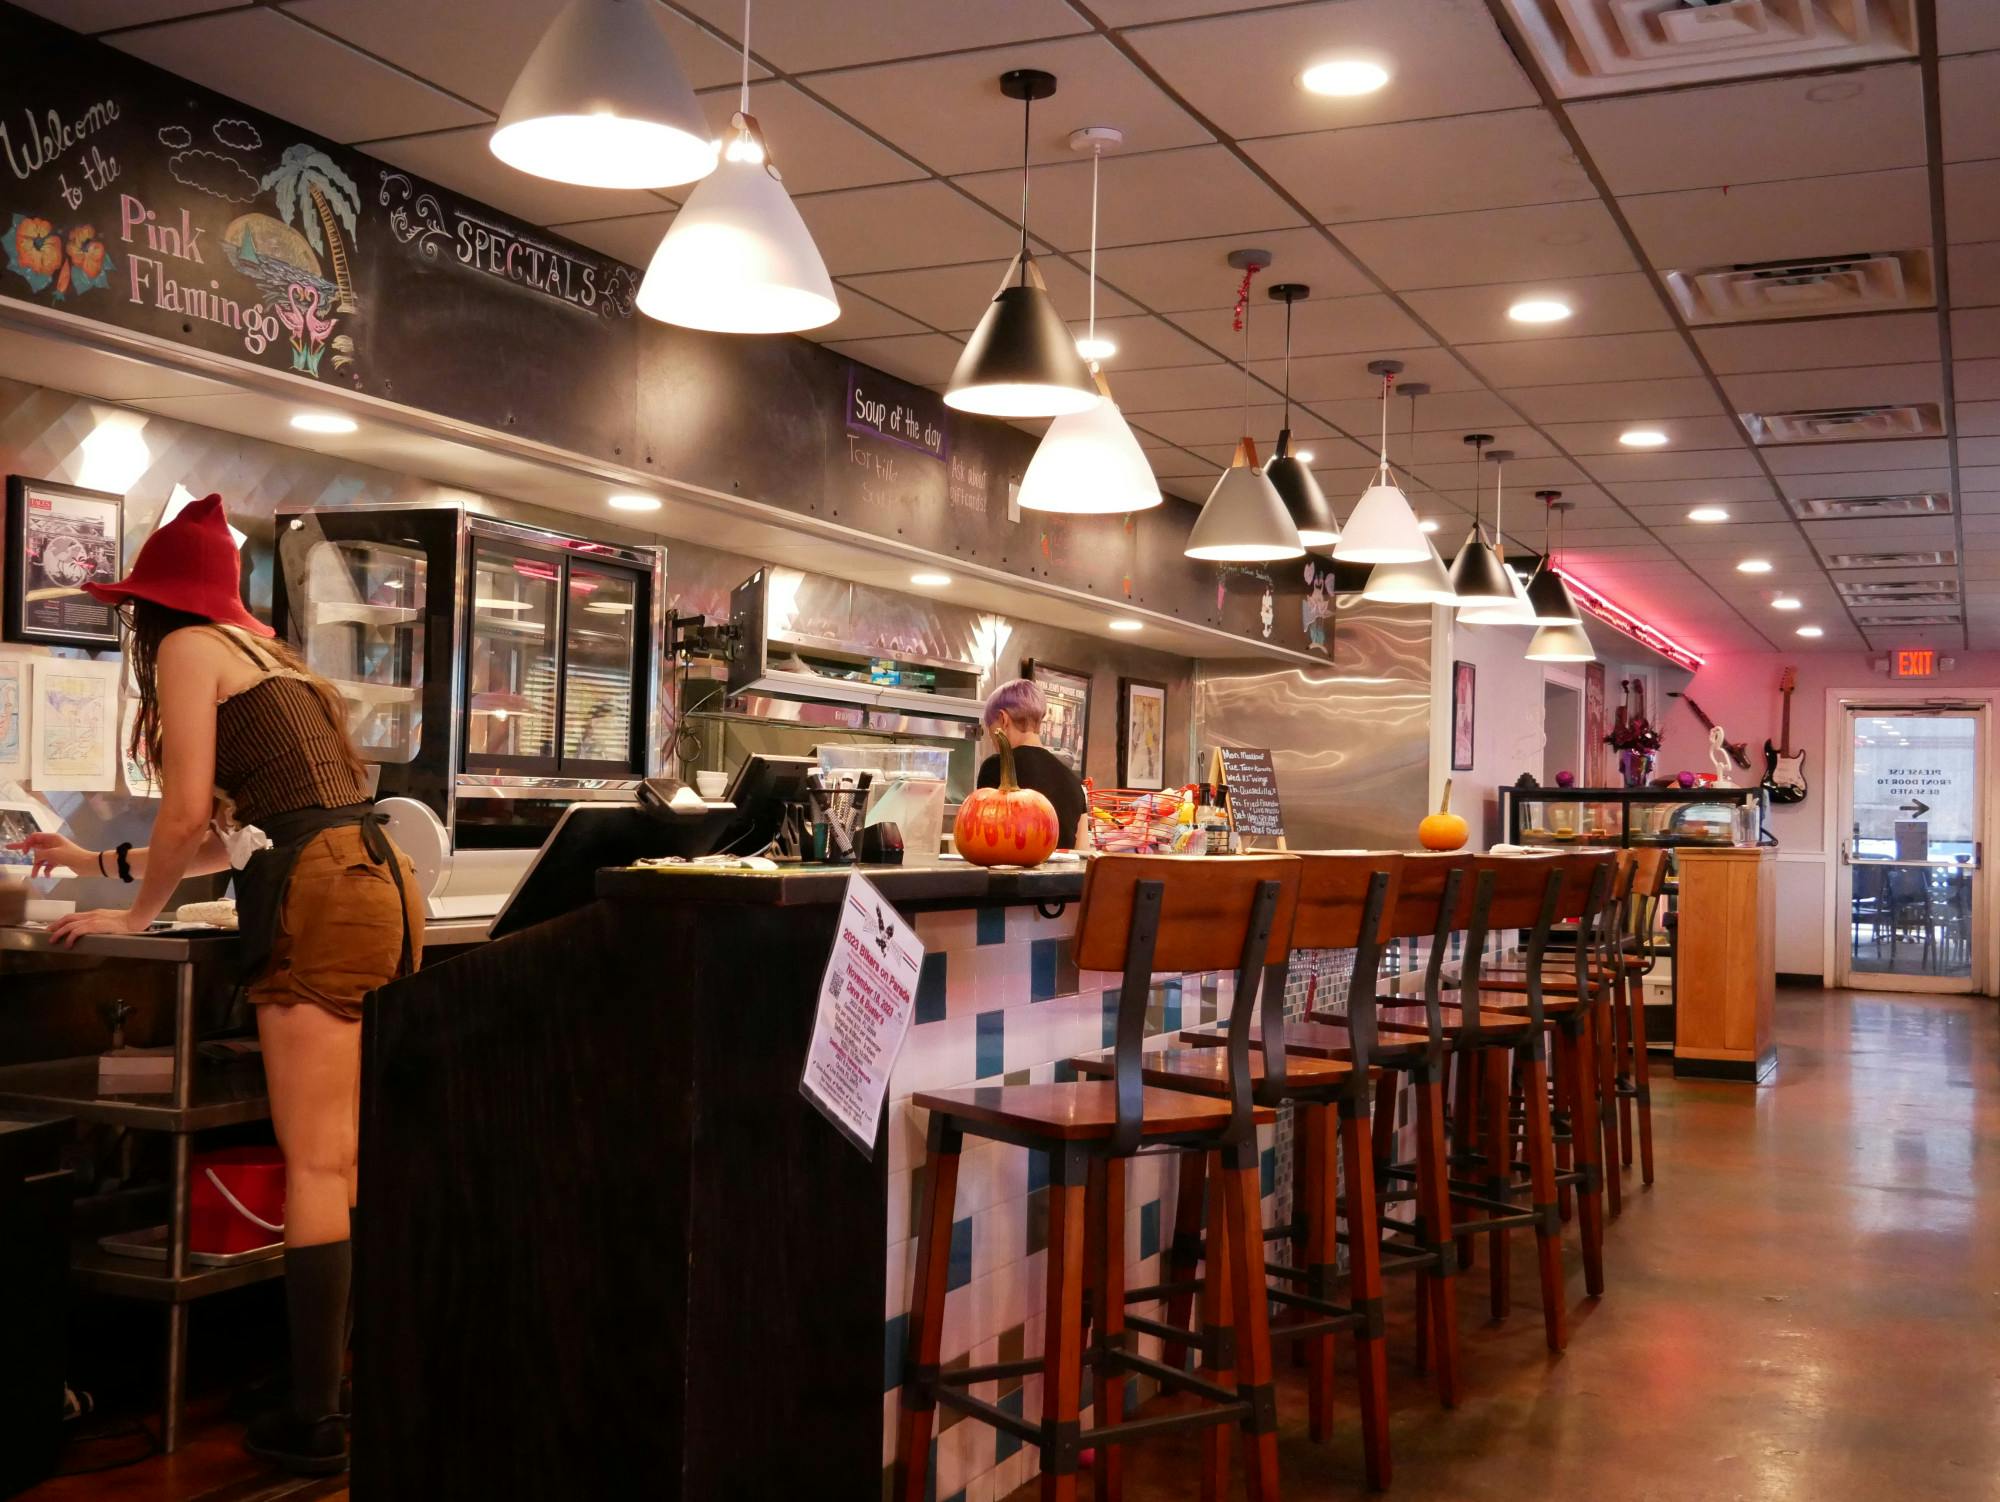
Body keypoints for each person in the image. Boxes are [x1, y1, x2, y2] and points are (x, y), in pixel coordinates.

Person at [8, 494, 421, 1477]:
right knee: (351, 1160)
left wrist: (136, 917)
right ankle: (338, 1387)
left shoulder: (191, 648)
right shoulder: (272, 658)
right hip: (373, 878)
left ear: (154, 607)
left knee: (316, 1160)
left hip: (320, 892)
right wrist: (99, 864)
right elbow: (232, 837)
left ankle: (316, 1419)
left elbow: (189, 812)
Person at [975, 678, 1089, 849]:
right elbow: (1082, 854)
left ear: (1003, 719)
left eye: (991, 732)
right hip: (1062, 876)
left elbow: (982, 839)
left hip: (1010, 875)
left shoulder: (996, 768)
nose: (992, 742)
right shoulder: (1074, 781)